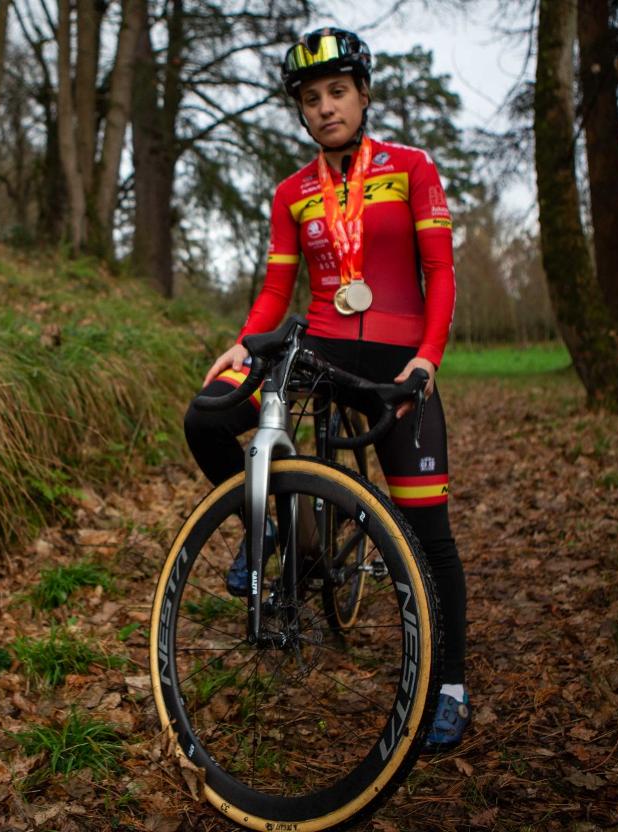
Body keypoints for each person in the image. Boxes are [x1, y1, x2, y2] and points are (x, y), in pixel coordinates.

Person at [182, 27, 470, 752]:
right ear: (302, 112)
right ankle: (269, 528)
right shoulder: (292, 193)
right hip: (315, 346)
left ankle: (451, 683)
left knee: (427, 532)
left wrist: (427, 359)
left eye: (338, 92)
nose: (325, 108)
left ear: (364, 95)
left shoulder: (411, 170)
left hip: (399, 359)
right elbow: (279, 286)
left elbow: (440, 274)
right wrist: (244, 344)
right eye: (311, 99)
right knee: (208, 417)